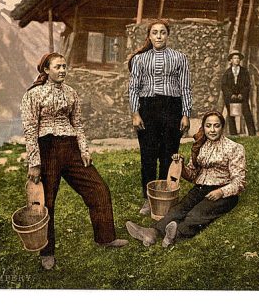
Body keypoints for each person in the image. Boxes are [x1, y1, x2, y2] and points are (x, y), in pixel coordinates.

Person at [20, 52, 127, 270]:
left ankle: (105, 237)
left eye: (64, 66)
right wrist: (34, 162)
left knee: (98, 189)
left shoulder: (71, 94)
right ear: (46, 70)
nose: (62, 70)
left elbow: (77, 124)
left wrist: (84, 151)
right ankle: (46, 252)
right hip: (47, 148)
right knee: (46, 203)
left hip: (71, 149)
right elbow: (30, 130)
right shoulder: (33, 95)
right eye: (57, 67)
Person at [125, 110, 245, 247]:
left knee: (197, 214)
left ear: (222, 127)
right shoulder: (201, 146)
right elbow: (193, 175)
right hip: (200, 188)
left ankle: (175, 234)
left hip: (223, 194)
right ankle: (152, 232)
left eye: (216, 126)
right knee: (178, 210)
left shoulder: (235, 148)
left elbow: (239, 181)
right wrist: (180, 165)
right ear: (204, 127)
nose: (212, 130)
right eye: (208, 126)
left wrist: (221, 192)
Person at [127, 19, 192, 216]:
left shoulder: (179, 58)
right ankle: (148, 198)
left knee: (168, 154)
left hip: (172, 108)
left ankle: (166, 195)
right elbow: (133, 88)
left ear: (167, 35)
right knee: (148, 156)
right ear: (149, 36)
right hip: (148, 108)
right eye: (154, 32)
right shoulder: (139, 60)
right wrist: (136, 113)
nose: (158, 36)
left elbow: (185, 87)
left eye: (162, 32)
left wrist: (186, 114)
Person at [221, 50, 257, 137]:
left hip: (242, 97)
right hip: (231, 98)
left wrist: (242, 94)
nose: (236, 60)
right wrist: (231, 95)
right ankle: (233, 134)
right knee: (231, 115)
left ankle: (252, 134)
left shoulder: (244, 72)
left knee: (247, 114)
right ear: (231, 60)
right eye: (234, 58)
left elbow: (247, 85)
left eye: (238, 58)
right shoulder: (227, 73)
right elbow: (224, 86)